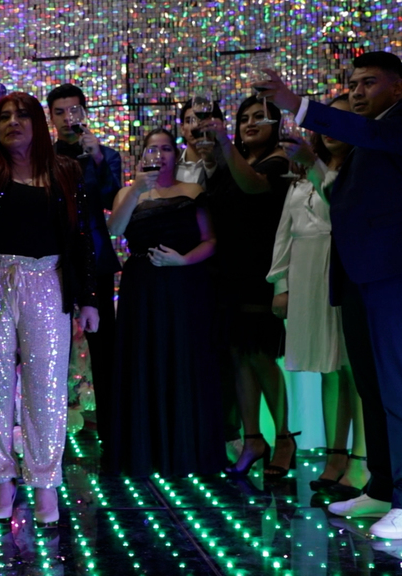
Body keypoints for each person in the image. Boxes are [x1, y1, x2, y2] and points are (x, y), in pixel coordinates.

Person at [260, 51, 402, 540]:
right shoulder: (367, 146)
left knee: (398, 387)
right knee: (372, 388)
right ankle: (383, 488)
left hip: (400, 275)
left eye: (368, 83)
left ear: (398, 86)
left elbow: (369, 135)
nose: (358, 92)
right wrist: (315, 163)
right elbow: (342, 203)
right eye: (353, 83)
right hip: (360, 278)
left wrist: (297, 105)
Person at [0, 75, 99, 524]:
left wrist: (89, 298)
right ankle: (1, 479)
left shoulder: (65, 171)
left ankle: (44, 483)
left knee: (46, 387)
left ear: (38, 123)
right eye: (4, 117)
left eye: (21, 115)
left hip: (47, 281)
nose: (12, 123)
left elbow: (82, 238)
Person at [103, 128, 222, 477]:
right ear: (142, 156)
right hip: (141, 287)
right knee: (144, 360)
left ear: (176, 154)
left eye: (167, 148)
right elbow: (114, 230)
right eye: (153, 149)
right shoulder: (128, 192)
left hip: (183, 284)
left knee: (182, 359)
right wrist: (136, 189)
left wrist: (183, 260)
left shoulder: (192, 190)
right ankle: (146, 451)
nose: (160, 155)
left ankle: (185, 451)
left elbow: (210, 240)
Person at [268, 94, 367, 500]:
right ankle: (334, 456)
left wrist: (313, 165)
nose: (329, 131)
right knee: (328, 368)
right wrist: (281, 284)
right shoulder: (303, 174)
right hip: (307, 272)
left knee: (353, 369)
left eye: (339, 121)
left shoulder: (357, 169)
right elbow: (285, 232)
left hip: (342, 269)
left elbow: (338, 204)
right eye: (324, 122)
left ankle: (360, 460)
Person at [200, 96, 296, 479]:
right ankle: (253, 438)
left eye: (260, 117)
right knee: (239, 355)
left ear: (276, 125)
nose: (250, 123)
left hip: (261, 271)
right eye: (244, 118)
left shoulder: (279, 161)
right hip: (229, 272)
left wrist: (225, 143)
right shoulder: (232, 161)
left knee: (260, 354)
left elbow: (253, 187)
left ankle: (285, 438)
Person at [46, 84, 123, 454]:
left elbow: (112, 200)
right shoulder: (43, 158)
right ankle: (49, 437)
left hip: (96, 260)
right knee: (49, 349)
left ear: (85, 113)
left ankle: (113, 433)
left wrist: (96, 159)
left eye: (73, 111)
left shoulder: (105, 155)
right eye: (59, 112)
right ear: (50, 117)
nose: (67, 119)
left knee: (104, 349)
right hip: (53, 263)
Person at [177, 99, 244, 461]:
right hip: (184, 269)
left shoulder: (230, 162)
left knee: (224, 352)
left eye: (203, 119)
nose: (196, 126)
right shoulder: (172, 166)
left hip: (225, 267)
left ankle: (230, 433)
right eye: (189, 120)